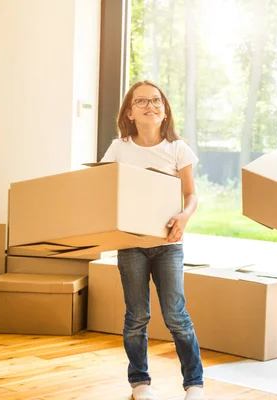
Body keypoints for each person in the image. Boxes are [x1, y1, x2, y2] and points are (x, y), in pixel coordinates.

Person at [101, 80, 204, 400]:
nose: (151, 105)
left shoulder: (178, 149)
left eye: (157, 100)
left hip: (168, 244)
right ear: (129, 112)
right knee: (137, 317)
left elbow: (190, 194)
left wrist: (185, 217)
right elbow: (104, 190)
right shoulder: (119, 148)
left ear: (165, 110)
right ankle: (139, 383)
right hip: (131, 245)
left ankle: (194, 384)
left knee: (176, 315)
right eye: (142, 101)